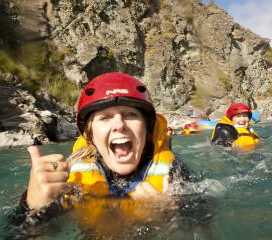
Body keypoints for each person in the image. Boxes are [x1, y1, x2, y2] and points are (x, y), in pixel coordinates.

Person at [13, 72, 194, 228]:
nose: (119, 125)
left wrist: (168, 219)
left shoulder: (175, 174)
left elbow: (200, 228)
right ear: (90, 135)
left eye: (130, 114)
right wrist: (32, 208)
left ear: (147, 130)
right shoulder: (67, 179)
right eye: (105, 117)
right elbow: (34, 234)